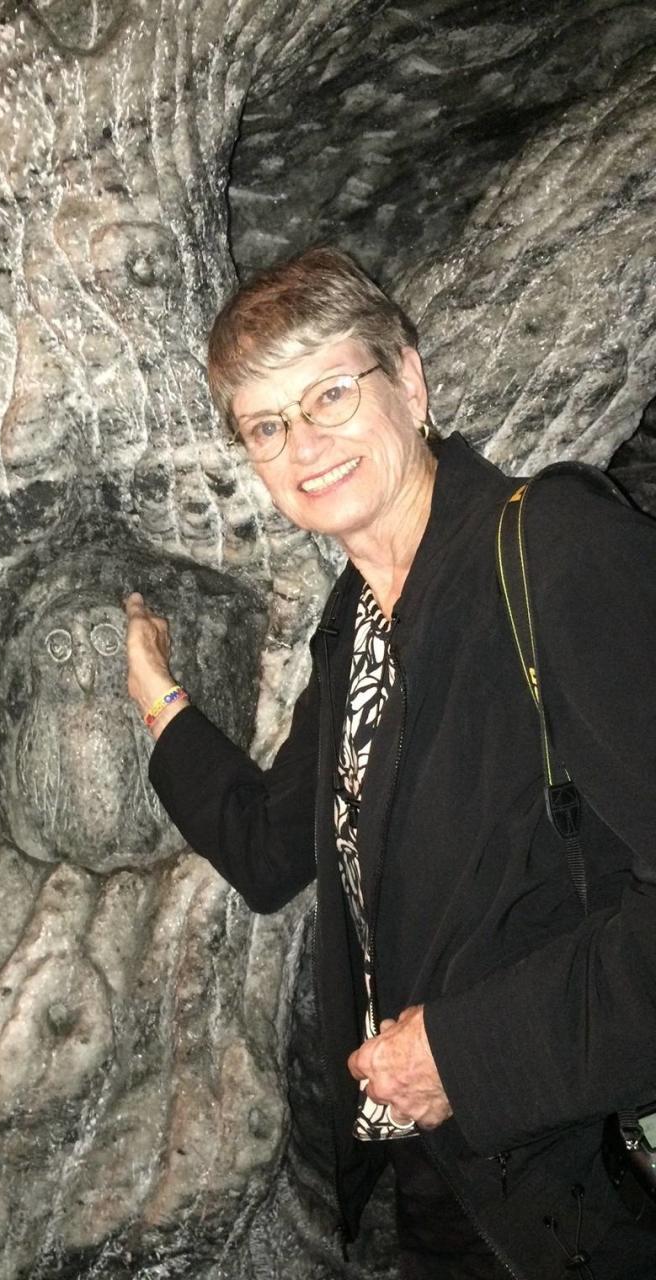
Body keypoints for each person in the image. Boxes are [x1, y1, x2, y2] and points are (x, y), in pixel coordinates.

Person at [124, 247, 656, 1279]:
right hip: (448, 1175)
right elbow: (274, 845)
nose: (301, 444)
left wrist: (464, 1052)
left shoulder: (555, 548)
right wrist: (156, 694)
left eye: (328, 393)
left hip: (572, 1158)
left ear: (409, 382)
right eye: (266, 425)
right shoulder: (358, 623)